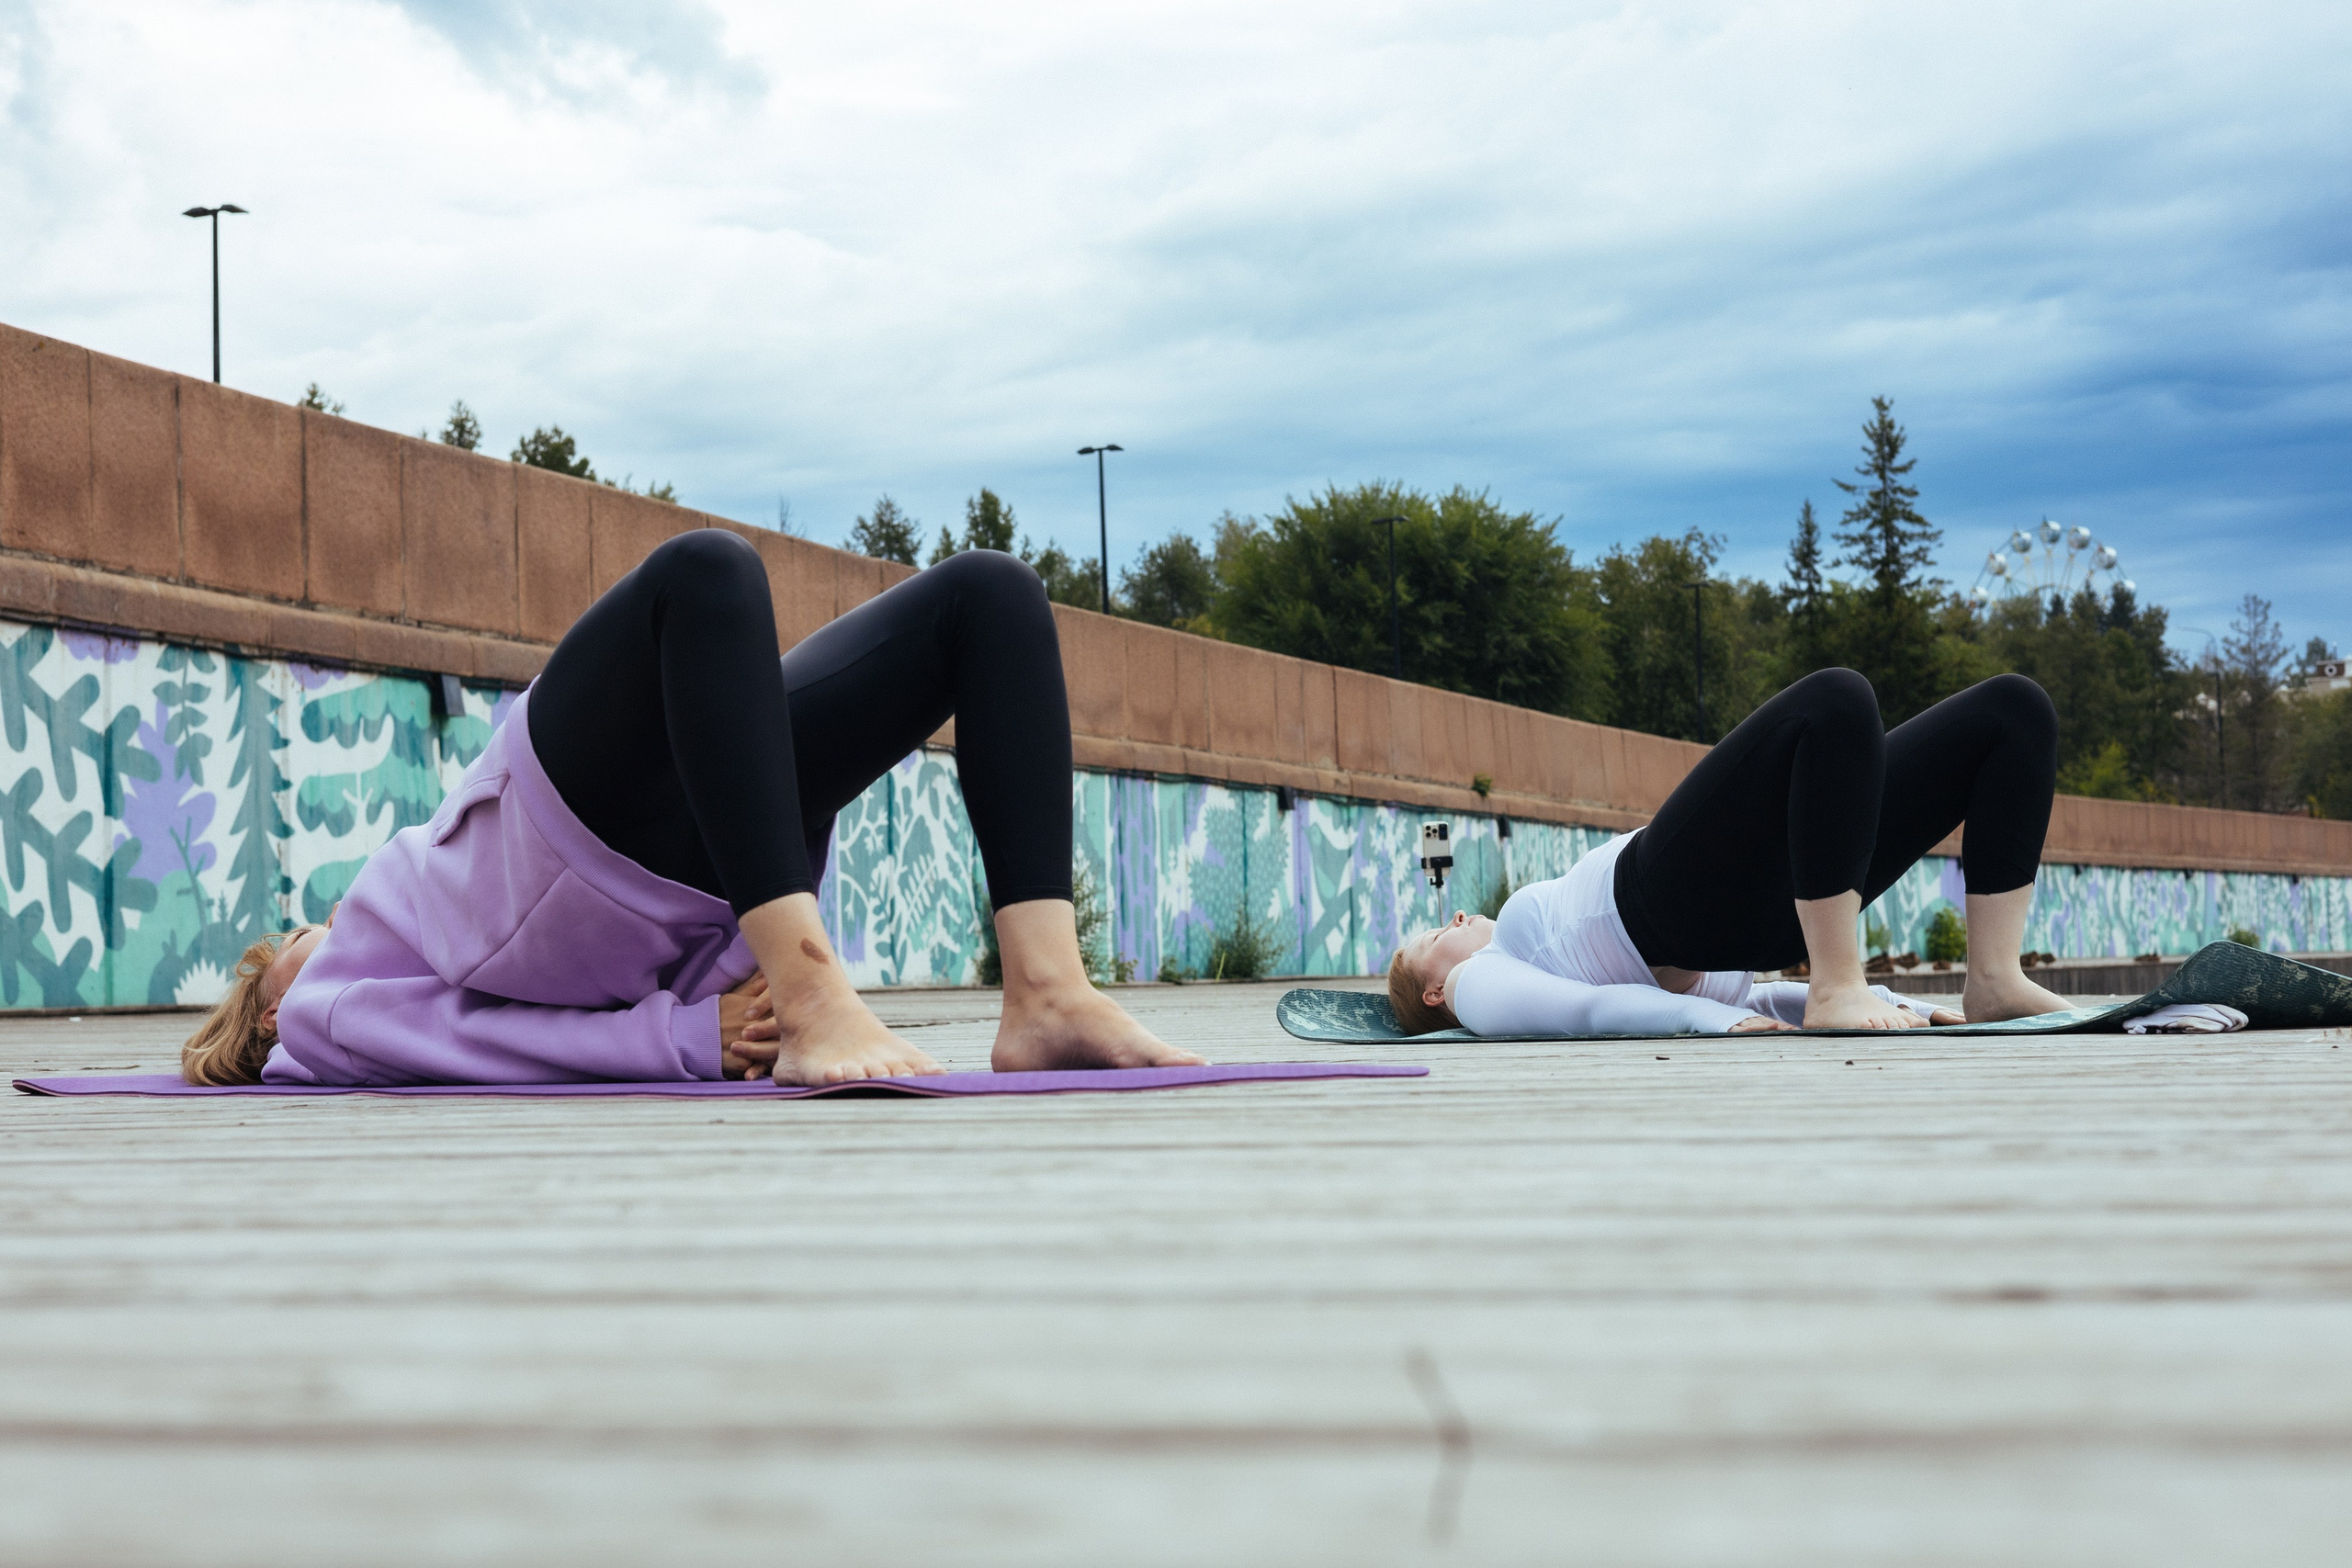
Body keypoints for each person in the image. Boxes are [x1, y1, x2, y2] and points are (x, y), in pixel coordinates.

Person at [182, 531, 1203, 1087]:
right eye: (285, 945)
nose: (305, 928)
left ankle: (1049, 996)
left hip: (658, 838)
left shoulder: (351, 969)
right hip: (553, 849)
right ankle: (816, 1004)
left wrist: (679, 1027)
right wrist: (676, 1040)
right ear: (270, 1010)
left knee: (989, 594)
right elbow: (469, 1041)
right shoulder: (317, 1015)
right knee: (702, 576)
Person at [1388, 669, 2074, 1037]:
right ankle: (1841, 981)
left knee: (2014, 711)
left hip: (1784, 908)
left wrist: (1909, 1005)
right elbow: (1586, 1014)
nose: (1453, 921)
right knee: (1836, 700)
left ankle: (1992, 979)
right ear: (1434, 989)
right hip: (1660, 904)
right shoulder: (1480, 981)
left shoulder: (1507, 957)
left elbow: (1771, 995)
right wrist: (1712, 1019)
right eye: (1431, 938)